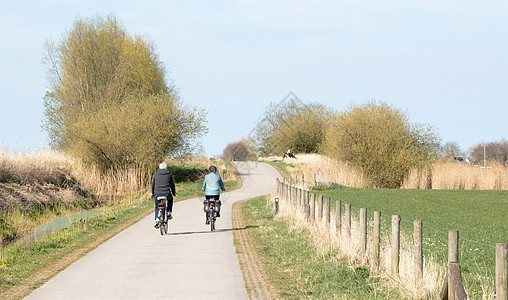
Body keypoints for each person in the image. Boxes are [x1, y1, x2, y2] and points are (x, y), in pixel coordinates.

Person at [151, 162, 176, 228]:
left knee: (157, 206)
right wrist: (173, 192)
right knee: (170, 200)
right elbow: (172, 184)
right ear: (166, 167)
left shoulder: (156, 174)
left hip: (157, 193)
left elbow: (153, 184)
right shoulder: (169, 174)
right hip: (166, 193)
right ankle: (169, 212)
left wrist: (153, 193)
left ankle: (156, 219)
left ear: (159, 168)